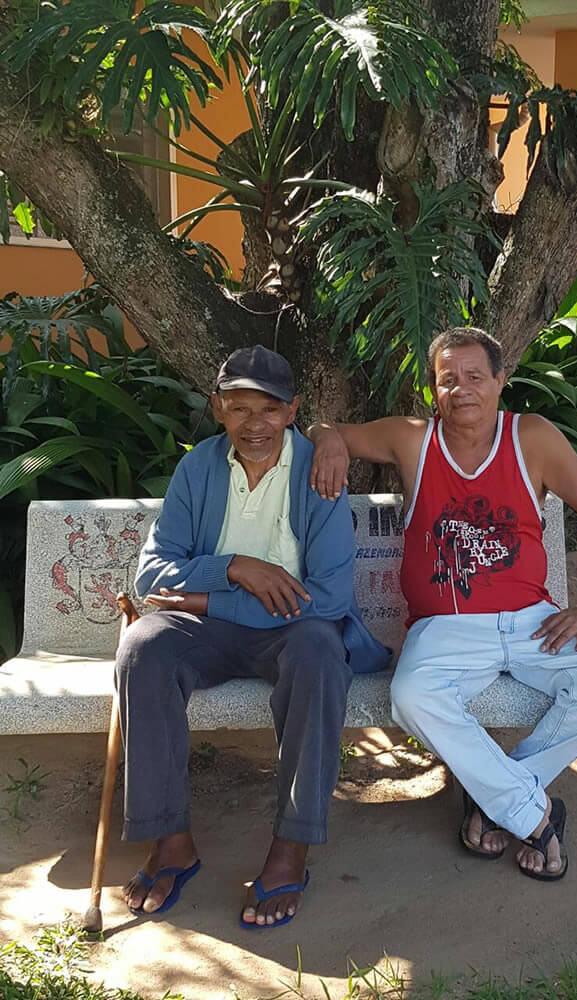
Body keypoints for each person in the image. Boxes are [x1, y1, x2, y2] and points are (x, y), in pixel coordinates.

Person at [308, 326, 577, 880]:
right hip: (446, 627)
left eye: (476, 376)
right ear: (433, 390)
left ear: (500, 381)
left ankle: (497, 798)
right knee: (412, 697)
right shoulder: (413, 439)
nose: (462, 389)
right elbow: (325, 430)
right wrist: (325, 437)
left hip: (532, 622)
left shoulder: (531, 437)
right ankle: (532, 813)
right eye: (448, 379)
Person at [116, 345, 389, 927]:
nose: (254, 424)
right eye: (239, 408)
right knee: (143, 648)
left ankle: (292, 846)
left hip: (292, 631)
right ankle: (170, 841)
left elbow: (329, 598)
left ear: (292, 411)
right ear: (218, 408)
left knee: (320, 653)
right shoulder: (199, 468)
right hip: (207, 631)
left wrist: (209, 597)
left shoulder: (318, 470)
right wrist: (238, 568)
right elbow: (152, 575)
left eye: (268, 409)